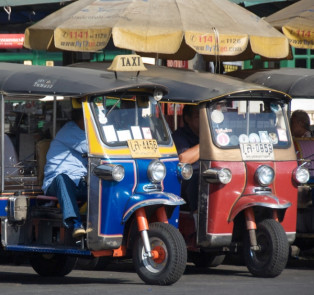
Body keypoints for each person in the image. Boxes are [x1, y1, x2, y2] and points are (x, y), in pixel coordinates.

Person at [42, 107, 88, 239]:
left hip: (78, 181)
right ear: (81, 119)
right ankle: (75, 223)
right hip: (55, 183)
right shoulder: (70, 130)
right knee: (62, 178)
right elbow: (92, 148)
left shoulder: (84, 132)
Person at [172, 105, 200, 212]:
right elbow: (183, 158)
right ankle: (196, 217)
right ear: (188, 119)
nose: (203, 120)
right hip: (188, 178)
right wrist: (208, 143)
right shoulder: (179, 136)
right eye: (198, 116)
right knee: (197, 179)